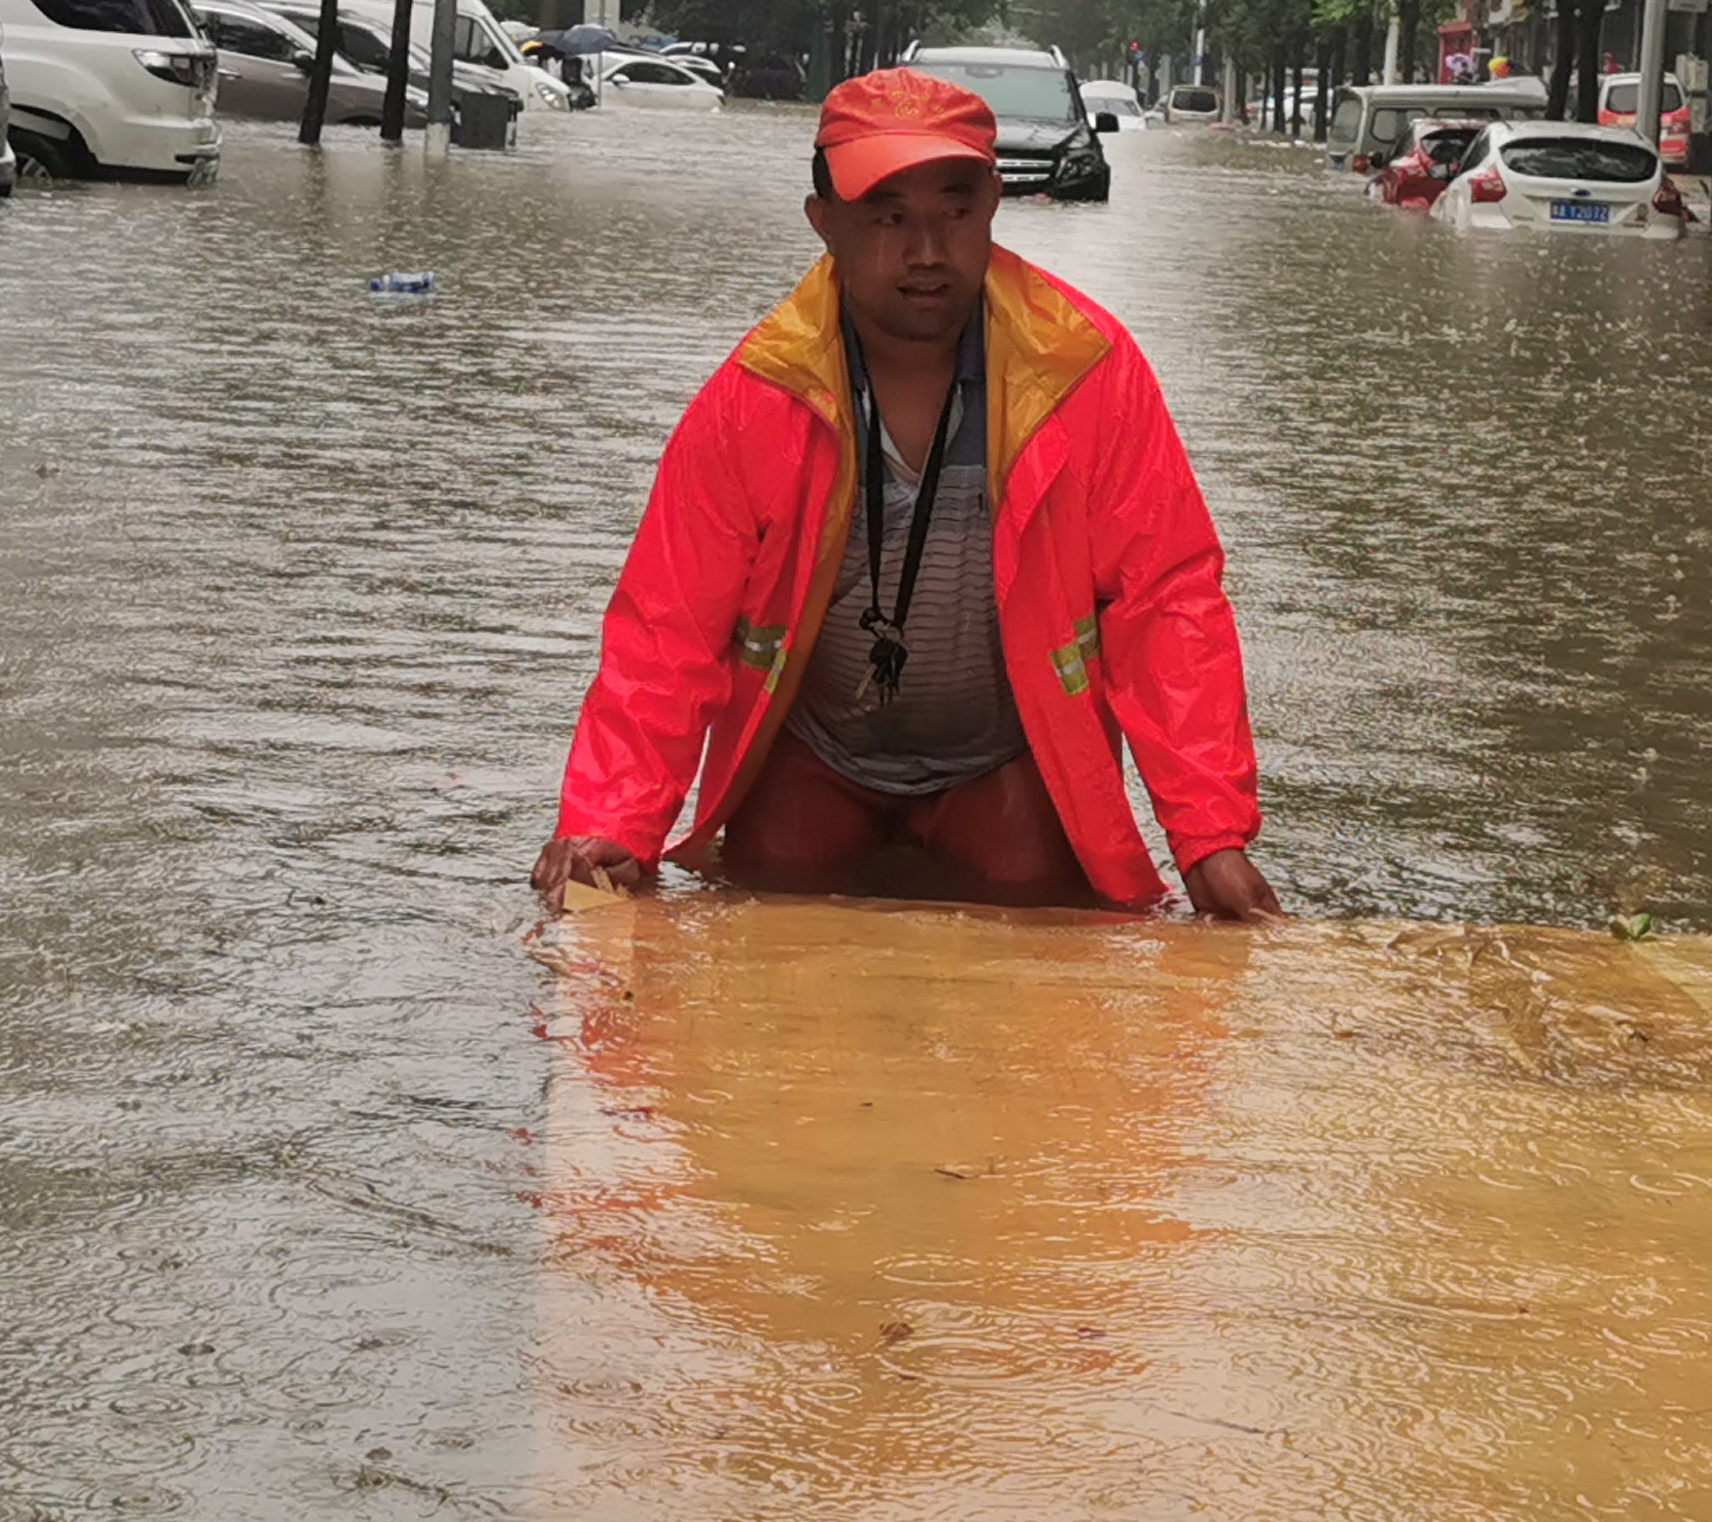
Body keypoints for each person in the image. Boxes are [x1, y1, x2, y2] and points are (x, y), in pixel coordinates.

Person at [530, 68, 1283, 921]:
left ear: (994, 206)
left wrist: (1210, 839)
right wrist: (611, 826)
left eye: (955, 213)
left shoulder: (1087, 376)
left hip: (1001, 762)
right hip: (817, 760)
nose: (928, 251)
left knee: (1036, 891)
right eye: (889, 216)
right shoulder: (753, 398)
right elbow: (666, 632)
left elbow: (1168, 602)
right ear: (825, 224)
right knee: (768, 878)